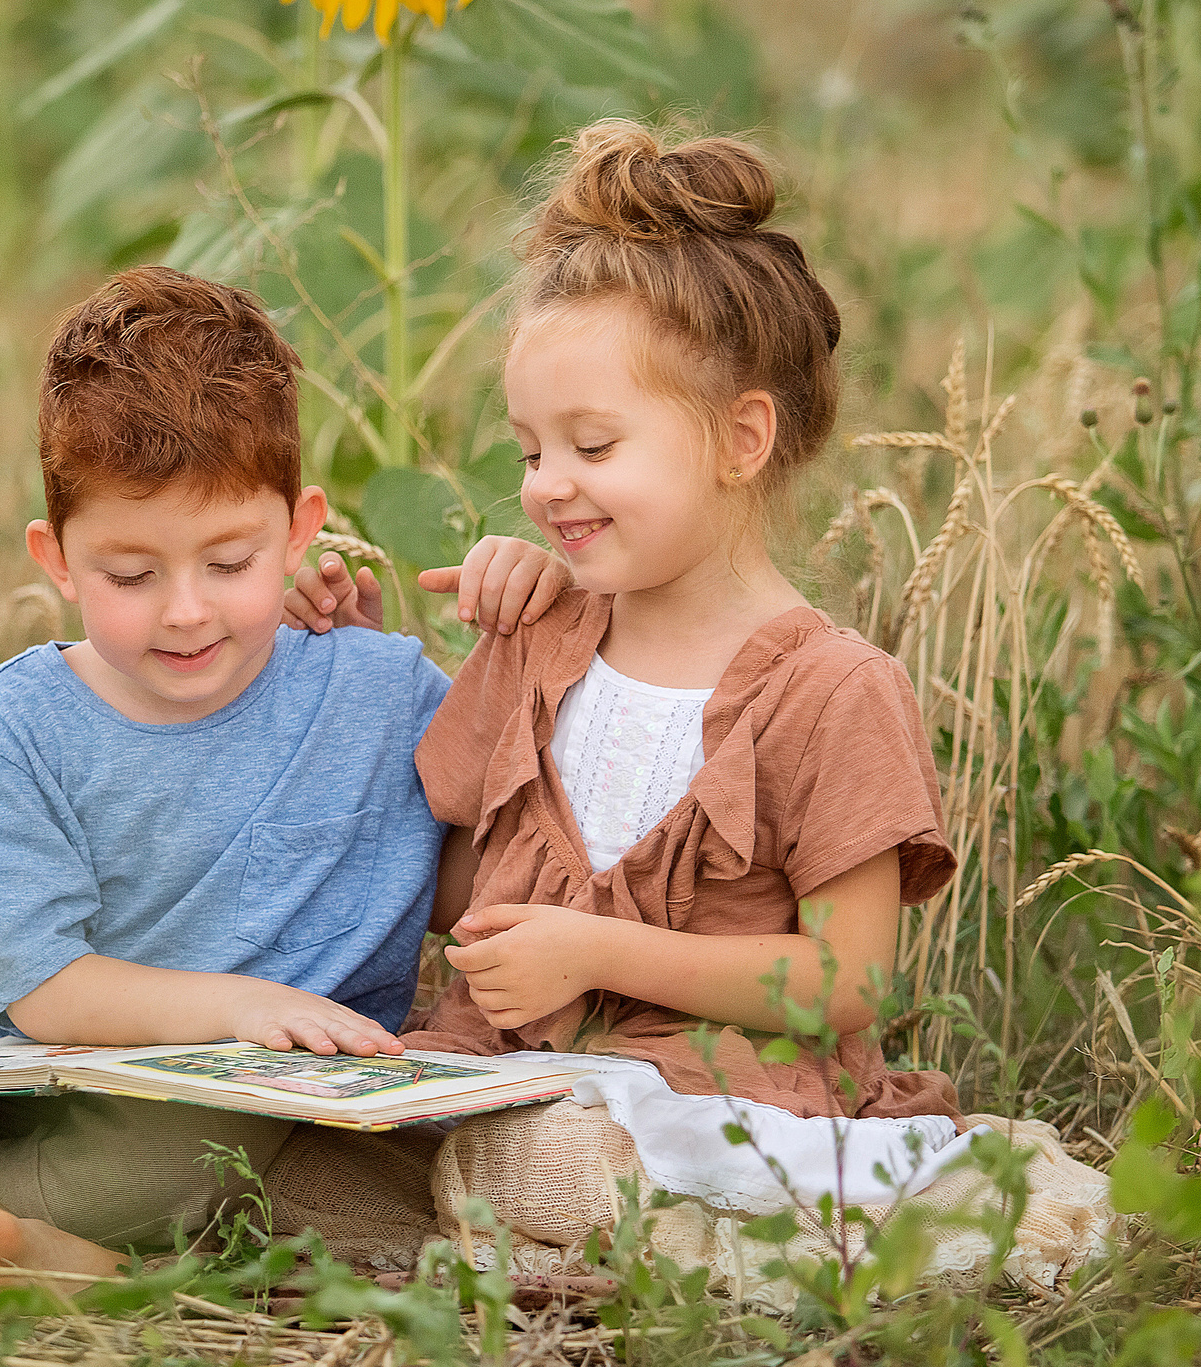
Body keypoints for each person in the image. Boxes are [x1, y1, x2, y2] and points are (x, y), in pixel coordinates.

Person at [0, 266, 567, 1281]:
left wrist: (540, 621)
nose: (185, 611)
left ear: (300, 531)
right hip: (48, 1123)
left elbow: (493, 878)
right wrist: (240, 1008)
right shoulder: (22, 725)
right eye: (130, 575)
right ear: (58, 559)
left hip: (267, 1130)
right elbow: (45, 991)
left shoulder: (381, 688)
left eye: (229, 564)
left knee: (348, 1177)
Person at [402, 120, 966, 1255]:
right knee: (312, 1156)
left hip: (717, 1097)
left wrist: (597, 954)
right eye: (527, 453)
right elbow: (453, 888)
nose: (548, 487)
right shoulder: (538, 637)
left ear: (740, 437)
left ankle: (617, 1227)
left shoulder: (831, 690)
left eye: (593, 449)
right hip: (511, 1079)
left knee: (553, 1166)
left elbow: (845, 982)